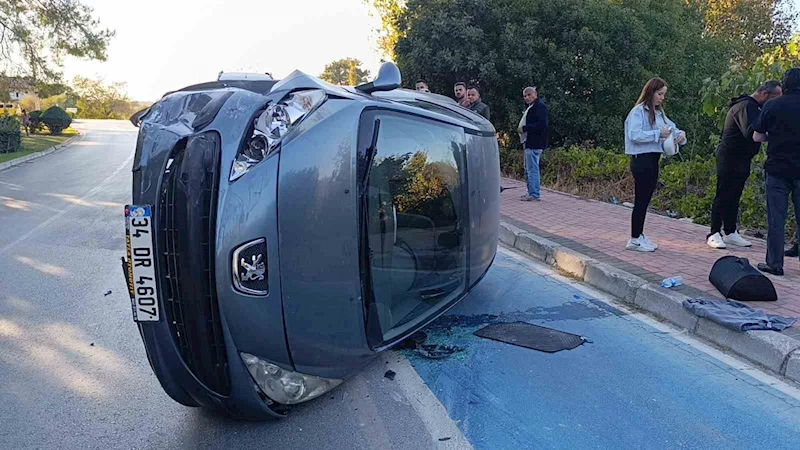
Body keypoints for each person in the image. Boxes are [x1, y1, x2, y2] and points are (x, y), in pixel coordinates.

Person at [707, 80, 783, 250]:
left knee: (735, 194)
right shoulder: (746, 106)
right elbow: (750, 132)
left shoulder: (757, 108)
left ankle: (730, 230)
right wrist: (774, 133)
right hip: (730, 156)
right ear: (764, 94)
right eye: (775, 98)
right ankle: (713, 232)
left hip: (743, 157)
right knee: (724, 193)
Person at [624, 77, 687, 252]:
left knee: (645, 199)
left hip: (653, 158)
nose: (662, 98)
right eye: (659, 94)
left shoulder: (659, 114)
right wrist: (657, 134)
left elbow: (672, 128)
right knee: (641, 200)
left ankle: (639, 234)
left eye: (663, 94)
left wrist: (681, 135)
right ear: (651, 93)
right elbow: (634, 135)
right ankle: (635, 238)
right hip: (641, 159)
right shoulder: (638, 112)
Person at [752, 68, 800, 276]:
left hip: (778, 169)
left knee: (776, 218)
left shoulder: (773, 105)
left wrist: (775, 136)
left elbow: (757, 136)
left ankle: (775, 263)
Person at [518, 86, 548, 201]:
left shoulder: (540, 107)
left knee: (532, 169)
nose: (526, 98)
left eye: (529, 95)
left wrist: (525, 128)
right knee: (528, 169)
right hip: (528, 142)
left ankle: (534, 194)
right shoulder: (530, 107)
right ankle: (531, 192)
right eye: (524, 96)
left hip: (535, 143)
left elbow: (542, 125)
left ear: (535, 94)